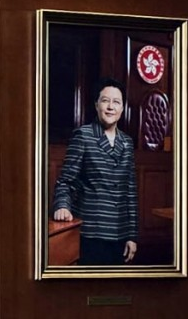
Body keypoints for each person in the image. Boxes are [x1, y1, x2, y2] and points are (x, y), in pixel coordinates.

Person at [52, 78, 138, 265]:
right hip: (91, 233)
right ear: (96, 105)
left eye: (116, 102)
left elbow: (130, 192)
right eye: (105, 101)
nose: (110, 107)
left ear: (122, 108)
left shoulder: (127, 142)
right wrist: (62, 206)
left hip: (120, 234)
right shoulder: (83, 136)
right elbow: (65, 181)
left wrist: (132, 235)